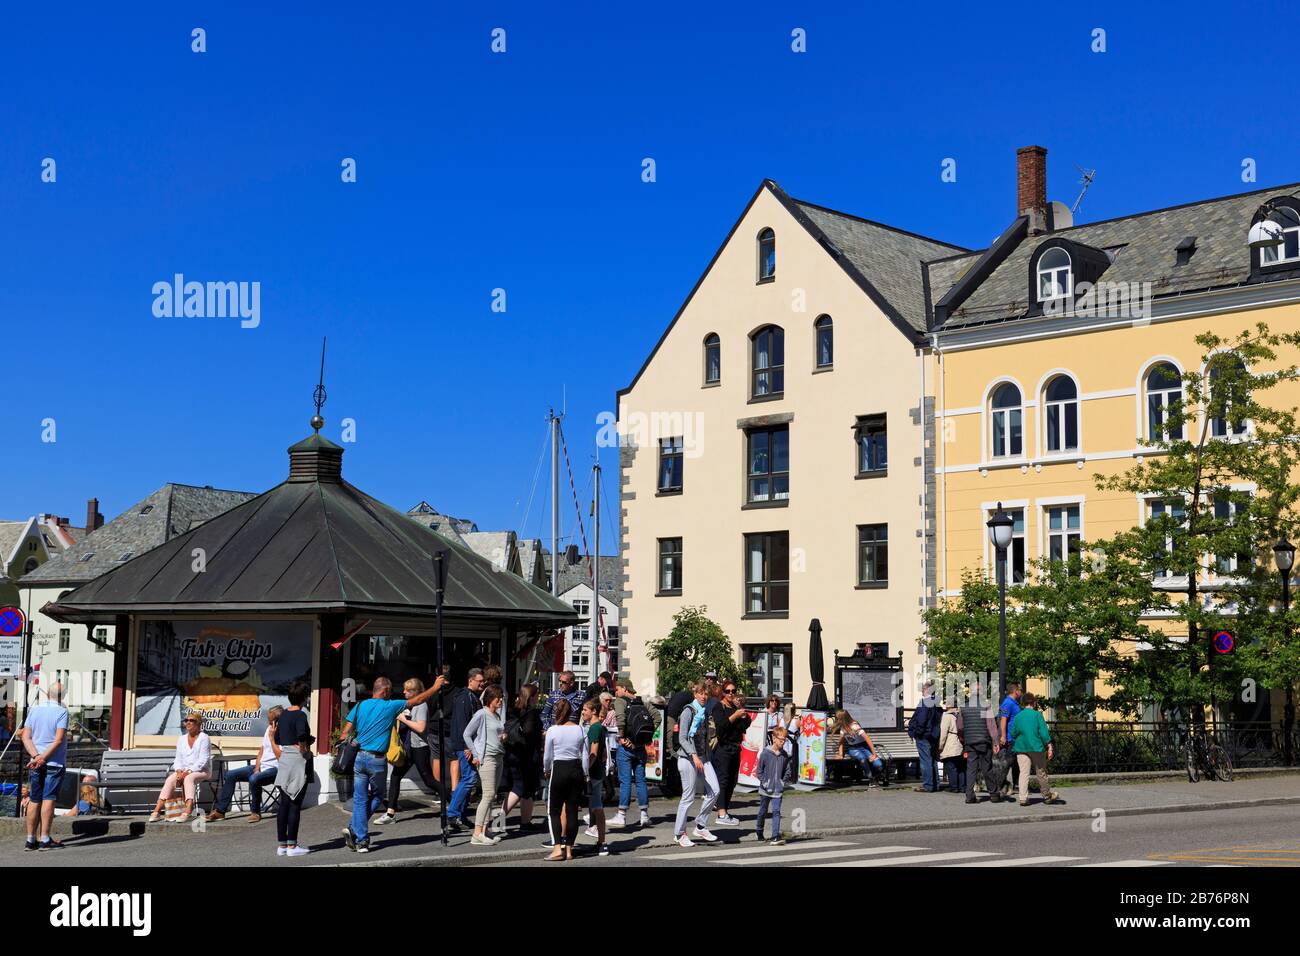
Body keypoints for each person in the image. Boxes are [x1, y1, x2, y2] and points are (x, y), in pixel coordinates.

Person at [340, 675, 445, 853]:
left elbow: (344, 733)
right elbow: (418, 699)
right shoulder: (391, 706)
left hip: (359, 757)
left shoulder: (359, 706)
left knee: (359, 799)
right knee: (378, 796)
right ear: (386, 691)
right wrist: (435, 687)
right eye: (390, 690)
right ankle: (361, 838)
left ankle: (356, 830)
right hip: (377, 760)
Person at [375, 678, 447, 826]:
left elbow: (421, 728)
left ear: (414, 692)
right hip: (409, 747)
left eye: (407, 690)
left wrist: (403, 719)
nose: (403, 692)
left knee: (428, 780)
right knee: (395, 776)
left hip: (420, 747)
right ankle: (390, 813)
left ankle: (453, 802)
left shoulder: (421, 706)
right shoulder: (410, 705)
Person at [208, 705, 283, 822]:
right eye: (268, 720)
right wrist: (257, 767)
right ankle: (220, 811)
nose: (268, 723)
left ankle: (255, 812)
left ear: (277, 721)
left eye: (270, 721)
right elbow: (261, 751)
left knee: (254, 779)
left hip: (275, 769)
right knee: (230, 774)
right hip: (262, 767)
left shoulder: (283, 733)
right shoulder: (269, 729)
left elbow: (280, 757)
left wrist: (272, 738)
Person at [21, 681, 69, 851]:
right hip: (54, 762)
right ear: (63, 696)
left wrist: (35, 756)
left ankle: (30, 840)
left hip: (35, 762)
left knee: (34, 799)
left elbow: (25, 737)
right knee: (49, 799)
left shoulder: (35, 710)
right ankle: (45, 839)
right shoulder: (62, 712)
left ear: (47, 694)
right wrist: (43, 758)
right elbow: (58, 739)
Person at [673, 681, 720, 847]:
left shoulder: (705, 711)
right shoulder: (688, 711)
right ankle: (679, 833)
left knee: (715, 790)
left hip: (703, 757)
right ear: (695, 694)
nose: (703, 696)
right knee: (688, 797)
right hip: (687, 758)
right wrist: (694, 755)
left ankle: (700, 825)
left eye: (706, 694)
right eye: (700, 693)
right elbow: (682, 738)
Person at [543, 697, 589, 861]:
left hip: (559, 768)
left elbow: (547, 756)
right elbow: (584, 754)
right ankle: (569, 849)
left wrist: (546, 770)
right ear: (571, 712)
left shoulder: (553, 730)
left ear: (556, 713)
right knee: (571, 811)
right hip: (576, 769)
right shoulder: (580, 729)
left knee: (554, 810)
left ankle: (557, 848)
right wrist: (585, 773)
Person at [611, 677, 660, 828]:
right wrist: (646, 737)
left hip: (626, 748)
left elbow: (620, 719)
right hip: (640, 748)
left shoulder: (621, 701)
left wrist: (622, 737)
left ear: (625, 688)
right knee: (641, 781)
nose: (616, 692)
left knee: (625, 781)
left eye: (617, 689)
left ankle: (621, 815)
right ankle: (644, 815)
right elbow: (657, 718)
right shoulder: (643, 702)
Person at [274, 680, 316, 856]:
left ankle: (282, 845)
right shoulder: (300, 715)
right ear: (304, 697)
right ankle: (292, 846)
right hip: (298, 760)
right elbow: (301, 734)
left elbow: (277, 738)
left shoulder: (283, 715)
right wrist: (305, 746)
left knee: (284, 803)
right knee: (295, 804)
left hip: (284, 760)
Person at [463, 684, 508, 846]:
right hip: (487, 758)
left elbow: (496, 733)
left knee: (492, 796)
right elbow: (467, 734)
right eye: (498, 698)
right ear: (490, 699)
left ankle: (484, 830)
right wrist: (475, 754)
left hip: (498, 757)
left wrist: (502, 736)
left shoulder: (496, 715)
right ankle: (476, 833)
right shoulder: (481, 714)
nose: (501, 700)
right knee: (488, 795)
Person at [149, 712, 211, 822]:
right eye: (186, 720)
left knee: (189, 778)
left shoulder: (204, 738)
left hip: (201, 770)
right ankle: (157, 811)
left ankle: (188, 810)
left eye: (191, 720)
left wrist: (187, 772)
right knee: (170, 780)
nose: (188, 722)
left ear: (199, 723)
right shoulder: (182, 739)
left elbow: (203, 760)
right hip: (183, 771)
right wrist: (178, 771)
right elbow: (178, 759)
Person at [445, 667, 486, 832]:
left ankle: (459, 815)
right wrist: (467, 746)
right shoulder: (465, 697)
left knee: (469, 779)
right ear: (471, 681)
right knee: (469, 779)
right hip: (464, 745)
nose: (482, 684)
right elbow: (464, 724)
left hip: (467, 744)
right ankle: (452, 813)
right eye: (480, 681)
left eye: (483, 681)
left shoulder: (470, 696)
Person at [502, 683, 543, 830]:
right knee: (519, 788)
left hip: (513, 752)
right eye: (537, 695)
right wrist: (541, 733)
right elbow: (528, 732)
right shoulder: (531, 712)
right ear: (532, 696)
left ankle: (526, 822)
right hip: (526, 755)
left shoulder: (515, 709)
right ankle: (497, 819)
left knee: (527, 790)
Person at [712, 680, 751, 826]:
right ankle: (721, 813)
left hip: (735, 747)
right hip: (723, 747)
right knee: (724, 780)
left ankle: (725, 811)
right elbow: (721, 727)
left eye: (733, 691)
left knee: (732, 781)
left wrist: (743, 713)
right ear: (723, 693)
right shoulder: (718, 707)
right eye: (728, 691)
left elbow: (744, 726)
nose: (731, 694)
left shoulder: (735, 706)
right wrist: (735, 715)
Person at [1011, 693, 1061, 806]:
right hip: (1036, 747)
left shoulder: (1018, 716)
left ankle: (1023, 798)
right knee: (1041, 772)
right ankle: (1047, 796)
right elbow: (1043, 733)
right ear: (1033, 703)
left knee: (1023, 773)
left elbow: (1013, 733)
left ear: (1023, 704)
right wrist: (1049, 745)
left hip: (1021, 748)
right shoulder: (1037, 715)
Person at [957, 682, 1001, 804]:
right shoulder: (986, 706)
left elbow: (960, 727)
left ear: (970, 692)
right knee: (987, 768)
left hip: (970, 742)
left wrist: (963, 739)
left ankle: (969, 795)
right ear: (981, 692)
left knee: (971, 769)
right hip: (984, 741)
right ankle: (994, 794)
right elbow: (991, 726)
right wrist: (996, 741)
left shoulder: (963, 707)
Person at [581, 698, 610, 856]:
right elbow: (603, 754)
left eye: (586, 709)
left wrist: (584, 770)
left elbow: (593, 752)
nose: (583, 712)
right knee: (596, 806)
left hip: (593, 773)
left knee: (597, 807)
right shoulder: (600, 727)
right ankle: (601, 841)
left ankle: (602, 842)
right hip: (598, 771)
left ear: (594, 712)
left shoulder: (594, 728)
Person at [754, 726, 791, 844]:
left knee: (776, 812)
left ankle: (775, 836)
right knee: (763, 811)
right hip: (766, 789)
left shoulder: (784, 755)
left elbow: (788, 771)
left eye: (784, 739)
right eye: (780, 739)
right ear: (774, 738)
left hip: (778, 790)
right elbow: (759, 771)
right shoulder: (765, 753)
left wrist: (782, 782)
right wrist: (765, 782)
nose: (782, 742)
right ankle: (759, 831)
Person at [908, 680, 944, 792]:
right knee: (932, 760)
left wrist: (917, 733)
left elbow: (921, 720)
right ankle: (935, 784)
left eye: (923, 690)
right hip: (933, 735)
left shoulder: (925, 703)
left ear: (927, 690)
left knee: (925, 761)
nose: (921, 692)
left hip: (924, 736)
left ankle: (928, 785)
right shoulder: (937, 704)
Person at [835, 710, 887, 786]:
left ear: (843, 719)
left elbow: (868, 739)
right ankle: (871, 779)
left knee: (878, 765)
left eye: (838, 718)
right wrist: (840, 754)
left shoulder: (855, 726)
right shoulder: (843, 729)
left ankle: (875, 776)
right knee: (862, 759)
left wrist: (874, 754)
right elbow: (840, 742)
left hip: (863, 747)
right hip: (853, 749)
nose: (837, 720)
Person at [996, 682, 1024, 798]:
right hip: (1010, 739)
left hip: (1015, 739)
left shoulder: (1014, 703)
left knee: (1015, 763)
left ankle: (1015, 785)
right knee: (1007, 763)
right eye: (1020, 690)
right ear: (1016, 691)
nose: (1021, 692)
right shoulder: (1007, 703)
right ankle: (1001, 786)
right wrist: (1003, 736)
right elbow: (1003, 720)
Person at [937, 702, 965, 794]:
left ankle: (954, 787)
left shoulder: (947, 716)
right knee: (961, 767)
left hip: (951, 744)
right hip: (961, 743)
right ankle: (962, 786)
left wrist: (940, 746)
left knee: (951, 766)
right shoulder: (960, 714)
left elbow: (943, 733)